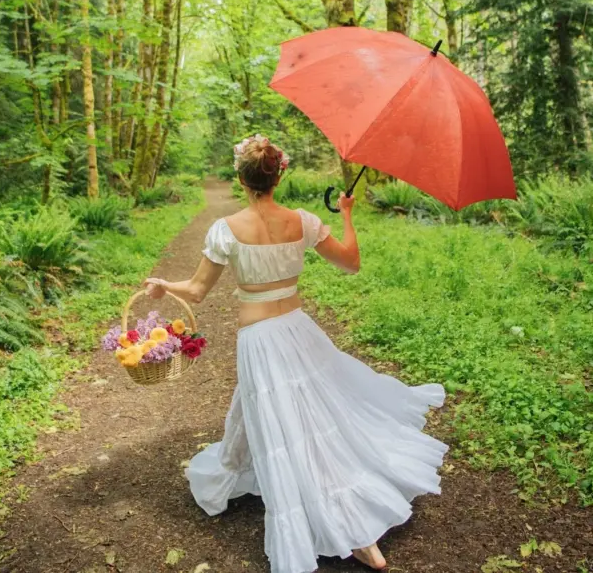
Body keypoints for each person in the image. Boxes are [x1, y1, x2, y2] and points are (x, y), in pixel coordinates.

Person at [142, 134, 447, 573]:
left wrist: (162, 285)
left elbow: (197, 291)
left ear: (241, 179)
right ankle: (232, 469)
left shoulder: (225, 230)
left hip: (260, 339)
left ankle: (353, 530)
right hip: (297, 329)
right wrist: (346, 216)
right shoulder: (303, 221)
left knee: (296, 424)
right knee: (286, 409)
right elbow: (351, 263)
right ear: (279, 175)